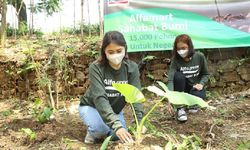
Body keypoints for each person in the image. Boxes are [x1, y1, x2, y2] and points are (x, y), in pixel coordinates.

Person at [78, 31, 144, 144]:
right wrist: (117, 126)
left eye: (119, 51)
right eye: (111, 52)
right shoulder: (96, 68)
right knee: (101, 130)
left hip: (114, 110)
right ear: (104, 52)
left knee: (118, 137)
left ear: (125, 49)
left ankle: (109, 125)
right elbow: (100, 98)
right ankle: (93, 131)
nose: (115, 55)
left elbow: (135, 96)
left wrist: (140, 121)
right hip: (92, 106)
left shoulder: (131, 68)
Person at [167, 34, 209, 122]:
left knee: (195, 105)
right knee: (178, 76)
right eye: (178, 49)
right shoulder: (175, 60)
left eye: (183, 48)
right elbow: (171, 80)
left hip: (195, 88)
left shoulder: (199, 57)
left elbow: (206, 74)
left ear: (189, 47)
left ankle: (193, 104)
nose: (181, 51)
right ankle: (180, 108)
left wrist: (201, 84)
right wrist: (170, 98)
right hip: (182, 89)